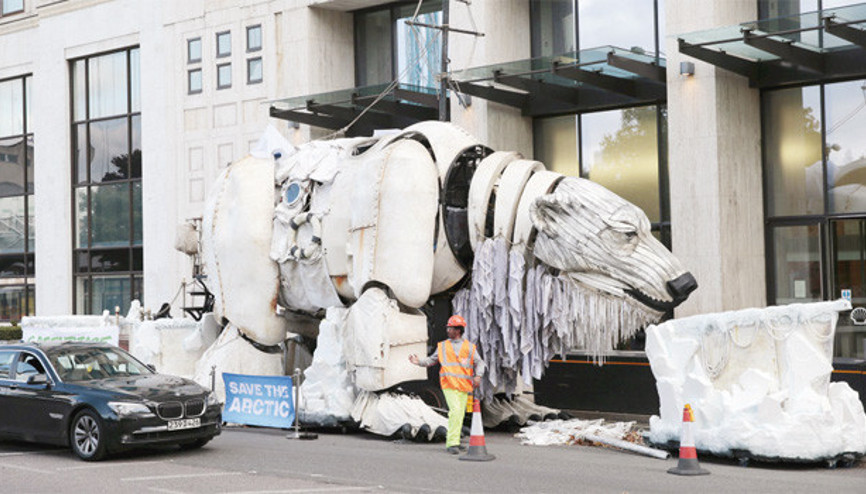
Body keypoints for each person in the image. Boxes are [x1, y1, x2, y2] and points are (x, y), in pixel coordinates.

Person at [409, 314, 486, 454]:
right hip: (449, 385)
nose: (448, 330)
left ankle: (455, 441)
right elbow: (431, 360)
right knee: (455, 412)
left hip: (464, 386)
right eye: (448, 328)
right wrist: (418, 362)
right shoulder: (443, 346)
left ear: (458, 330)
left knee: (459, 414)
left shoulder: (469, 347)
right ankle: (452, 443)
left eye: (450, 328)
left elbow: (480, 363)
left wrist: (478, 376)